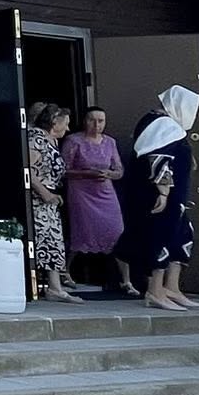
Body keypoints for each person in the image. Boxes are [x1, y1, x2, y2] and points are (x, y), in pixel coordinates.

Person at [130, 86, 199, 312]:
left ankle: (172, 287)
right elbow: (159, 159)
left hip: (176, 195)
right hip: (164, 195)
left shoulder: (166, 125)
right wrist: (163, 191)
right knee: (162, 235)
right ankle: (155, 290)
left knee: (181, 235)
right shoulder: (163, 125)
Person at [63, 108, 129, 294]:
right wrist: (87, 173)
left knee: (117, 231)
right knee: (80, 231)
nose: (96, 125)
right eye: (92, 120)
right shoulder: (74, 141)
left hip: (105, 191)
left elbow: (119, 170)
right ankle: (65, 270)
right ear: (85, 121)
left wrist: (109, 174)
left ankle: (126, 280)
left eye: (101, 121)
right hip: (82, 192)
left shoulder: (110, 142)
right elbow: (63, 169)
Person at [26, 104, 81, 301]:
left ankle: (54, 287)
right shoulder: (37, 139)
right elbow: (28, 169)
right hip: (38, 199)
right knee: (44, 241)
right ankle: (47, 286)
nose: (68, 128)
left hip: (49, 200)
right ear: (54, 122)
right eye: (65, 123)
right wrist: (45, 193)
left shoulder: (51, 141)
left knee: (53, 242)